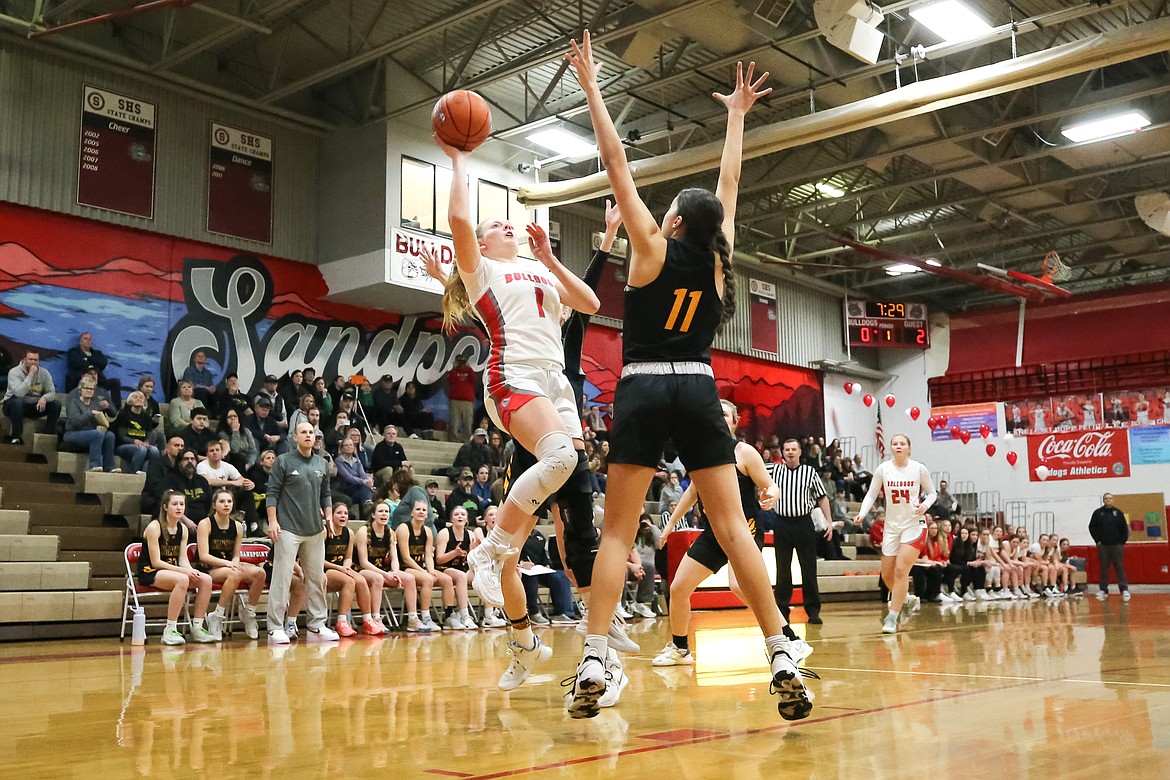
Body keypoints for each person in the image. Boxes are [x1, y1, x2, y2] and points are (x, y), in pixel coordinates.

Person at [565, 36, 811, 721]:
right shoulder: (716, 261)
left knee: (616, 533)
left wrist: (591, 87)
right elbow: (729, 186)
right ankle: (780, 648)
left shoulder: (649, 246)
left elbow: (615, 161)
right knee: (734, 530)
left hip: (643, 384)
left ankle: (593, 654)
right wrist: (737, 117)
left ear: (672, 220)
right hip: (700, 387)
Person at [430, 123, 601, 693]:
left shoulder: (539, 272)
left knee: (568, 476)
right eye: (495, 225)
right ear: (483, 244)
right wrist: (458, 161)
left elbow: (591, 302)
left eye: (509, 223)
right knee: (557, 462)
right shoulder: (486, 273)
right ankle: (490, 550)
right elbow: (459, 224)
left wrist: (551, 256)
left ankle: (526, 641)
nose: (508, 224)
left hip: (556, 384)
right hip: (515, 377)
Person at [657, 403, 809, 666]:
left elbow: (771, 485)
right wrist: (671, 523)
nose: (719, 417)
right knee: (679, 588)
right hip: (714, 532)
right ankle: (681, 649)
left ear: (734, 422)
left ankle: (790, 639)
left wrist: (771, 495)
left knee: (739, 586)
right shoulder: (703, 453)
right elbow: (693, 490)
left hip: (744, 529)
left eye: (725, 414)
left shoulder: (744, 452)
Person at [854, 433, 937, 633]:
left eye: (902, 444)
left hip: (914, 525)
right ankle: (907, 599)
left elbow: (933, 493)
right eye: (895, 444)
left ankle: (892, 617)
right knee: (887, 576)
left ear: (909, 448)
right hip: (892, 526)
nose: (898, 446)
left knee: (901, 570)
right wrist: (862, 513)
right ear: (890, 447)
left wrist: (925, 505)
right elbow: (872, 494)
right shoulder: (884, 469)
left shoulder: (918, 468)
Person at [265, 421, 338, 644]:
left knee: (317, 578)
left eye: (311, 432)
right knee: (283, 578)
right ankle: (275, 627)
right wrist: (272, 521)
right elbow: (272, 493)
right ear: (294, 438)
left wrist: (328, 517)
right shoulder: (283, 461)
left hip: (315, 530)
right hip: (288, 528)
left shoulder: (321, 463)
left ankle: (317, 625)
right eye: (303, 432)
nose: (308, 435)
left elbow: (325, 494)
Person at [138, 490, 217, 645]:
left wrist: (191, 571)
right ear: (165, 507)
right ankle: (170, 630)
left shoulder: (183, 529)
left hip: (171, 571)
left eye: (182, 504)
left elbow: (182, 558)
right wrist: (184, 572)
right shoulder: (155, 527)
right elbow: (156, 562)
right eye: (175, 504)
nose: (179, 507)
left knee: (206, 579)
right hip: (151, 571)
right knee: (182, 580)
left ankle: (198, 628)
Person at [768, 439, 833, 624]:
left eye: (793, 449)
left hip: (804, 523)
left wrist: (828, 521)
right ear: (782, 452)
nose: (790, 452)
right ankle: (782, 610)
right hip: (782, 523)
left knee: (809, 568)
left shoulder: (809, 472)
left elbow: (822, 498)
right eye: (786, 449)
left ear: (799, 452)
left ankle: (813, 611)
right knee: (782, 569)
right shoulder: (773, 470)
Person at [197, 489, 265, 640]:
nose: (226, 504)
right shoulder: (205, 523)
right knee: (235, 573)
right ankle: (217, 615)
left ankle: (249, 613)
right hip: (211, 568)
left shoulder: (238, 526)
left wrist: (234, 563)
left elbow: (236, 554)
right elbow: (204, 556)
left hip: (229, 566)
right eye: (222, 501)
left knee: (260, 573)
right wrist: (228, 565)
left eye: (229, 501)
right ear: (214, 505)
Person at [355, 501, 424, 632]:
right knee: (378, 578)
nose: (384, 514)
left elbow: (395, 559)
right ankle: (375, 619)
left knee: (409, 578)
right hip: (363, 570)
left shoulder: (390, 532)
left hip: (383, 570)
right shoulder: (363, 531)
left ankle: (412, 619)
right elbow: (364, 562)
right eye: (381, 511)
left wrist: (395, 572)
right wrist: (386, 574)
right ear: (373, 515)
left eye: (386, 511)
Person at [324, 503, 386, 637]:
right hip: (325, 569)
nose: (343, 516)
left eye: (345, 513)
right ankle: (341, 621)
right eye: (339, 513)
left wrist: (345, 566)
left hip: (341, 568)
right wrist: (339, 568)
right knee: (349, 582)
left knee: (361, 581)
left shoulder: (349, 533)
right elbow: (317, 559)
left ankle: (368, 620)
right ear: (331, 515)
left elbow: (348, 557)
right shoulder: (325, 531)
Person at [395, 499, 447, 631]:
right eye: (418, 509)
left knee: (446, 579)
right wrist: (425, 573)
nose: (421, 512)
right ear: (412, 512)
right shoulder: (404, 528)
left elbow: (428, 555)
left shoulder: (428, 531)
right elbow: (406, 558)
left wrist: (431, 570)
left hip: (419, 568)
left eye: (424, 510)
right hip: (403, 567)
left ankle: (450, 616)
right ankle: (425, 616)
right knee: (428, 579)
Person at [434, 505, 480, 629]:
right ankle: (465, 616)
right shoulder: (445, 533)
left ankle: (490, 614)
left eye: (462, 514)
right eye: (456, 514)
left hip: (462, 568)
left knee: (484, 574)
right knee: (460, 576)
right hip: (444, 568)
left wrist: (474, 552)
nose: (460, 516)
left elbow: (471, 559)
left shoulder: (470, 534)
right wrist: (454, 553)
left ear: (467, 519)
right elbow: (439, 559)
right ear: (451, 520)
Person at [3, 351, 61, 445]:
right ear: (24, 360)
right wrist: (30, 375)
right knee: (18, 402)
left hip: (34, 405)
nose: (33, 362)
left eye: (36, 360)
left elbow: (52, 392)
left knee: (56, 405)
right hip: (11, 404)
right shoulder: (14, 372)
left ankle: (48, 435)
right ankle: (16, 437)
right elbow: (19, 393)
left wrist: (45, 398)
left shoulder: (44, 373)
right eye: (30, 359)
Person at [64, 377, 117, 472]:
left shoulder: (96, 403)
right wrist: (91, 413)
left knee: (110, 435)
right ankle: (94, 465)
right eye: (86, 388)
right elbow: (75, 422)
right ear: (81, 390)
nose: (89, 390)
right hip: (73, 433)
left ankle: (109, 467)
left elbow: (113, 413)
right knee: (97, 434)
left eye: (91, 389)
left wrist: (108, 406)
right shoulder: (74, 402)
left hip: (90, 434)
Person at [196, 439, 256, 525]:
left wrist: (250, 483)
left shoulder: (227, 466)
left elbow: (241, 479)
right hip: (210, 497)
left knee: (247, 490)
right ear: (207, 454)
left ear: (221, 452)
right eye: (211, 451)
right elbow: (207, 481)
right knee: (217, 488)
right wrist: (232, 483)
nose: (215, 452)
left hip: (227, 497)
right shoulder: (202, 466)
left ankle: (253, 525)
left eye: (217, 450)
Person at [1089, 492, 1130, 601]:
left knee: (1119, 566)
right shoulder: (1097, 513)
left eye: (1110, 498)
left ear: (1112, 500)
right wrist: (1097, 541)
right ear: (1103, 500)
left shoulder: (1118, 513)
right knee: (1104, 567)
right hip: (1103, 546)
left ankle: (1124, 589)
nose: (1108, 500)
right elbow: (1092, 527)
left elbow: (1124, 529)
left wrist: (1122, 542)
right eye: (1106, 498)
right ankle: (1103, 589)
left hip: (1117, 545)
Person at [164, 448, 212, 533]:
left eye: (192, 459)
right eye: (186, 459)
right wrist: (185, 520)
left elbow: (209, 504)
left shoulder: (202, 481)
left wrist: (206, 523)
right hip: (180, 522)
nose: (190, 461)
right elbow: (170, 505)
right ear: (179, 463)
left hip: (202, 524)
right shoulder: (170, 479)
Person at [111, 390, 159, 474]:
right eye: (135, 397)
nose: (138, 399)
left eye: (141, 398)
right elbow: (122, 436)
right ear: (130, 401)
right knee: (141, 449)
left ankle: (152, 475)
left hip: (141, 445)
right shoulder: (123, 415)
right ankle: (133, 472)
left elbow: (149, 434)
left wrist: (147, 442)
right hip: (122, 446)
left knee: (154, 450)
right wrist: (135, 441)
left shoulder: (147, 417)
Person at [65, 332, 121, 403]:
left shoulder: (97, 353)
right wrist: (93, 366)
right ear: (80, 341)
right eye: (85, 338)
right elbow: (77, 363)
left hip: (99, 383)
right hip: (78, 382)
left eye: (90, 339)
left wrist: (88, 359)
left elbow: (103, 363)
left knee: (115, 382)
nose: (88, 341)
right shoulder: (73, 352)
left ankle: (117, 407)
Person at [142, 436, 185, 518]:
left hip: (176, 500)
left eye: (182, 446)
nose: (180, 448)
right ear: (168, 448)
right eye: (176, 445)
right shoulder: (156, 463)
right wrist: (171, 496)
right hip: (154, 500)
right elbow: (153, 486)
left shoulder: (182, 466)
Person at [333, 436, 375, 505]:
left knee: (365, 489)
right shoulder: (338, 461)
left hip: (355, 488)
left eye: (350, 445)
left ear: (353, 447)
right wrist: (364, 481)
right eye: (346, 445)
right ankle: (367, 504)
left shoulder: (357, 461)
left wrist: (368, 480)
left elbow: (362, 475)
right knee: (364, 486)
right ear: (342, 448)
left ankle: (368, 505)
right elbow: (348, 477)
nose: (349, 447)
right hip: (344, 489)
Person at [447, 353, 477, 443]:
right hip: (455, 401)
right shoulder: (453, 371)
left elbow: (474, 379)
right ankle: (453, 439)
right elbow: (450, 380)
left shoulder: (469, 371)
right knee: (454, 421)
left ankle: (467, 440)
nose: (461, 364)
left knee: (468, 422)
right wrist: (454, 367)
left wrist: (469, 367)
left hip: (467, 402)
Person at [217, 407, 258, 471]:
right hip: (233, 461)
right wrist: (235, 432)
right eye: (229, 417)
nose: (233, 418)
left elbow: (252, 451)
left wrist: (249, 464)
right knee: (239, 458)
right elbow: (234, 450)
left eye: (235, 416)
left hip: (247, 462)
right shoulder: (222, 434)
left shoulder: (246, 431)